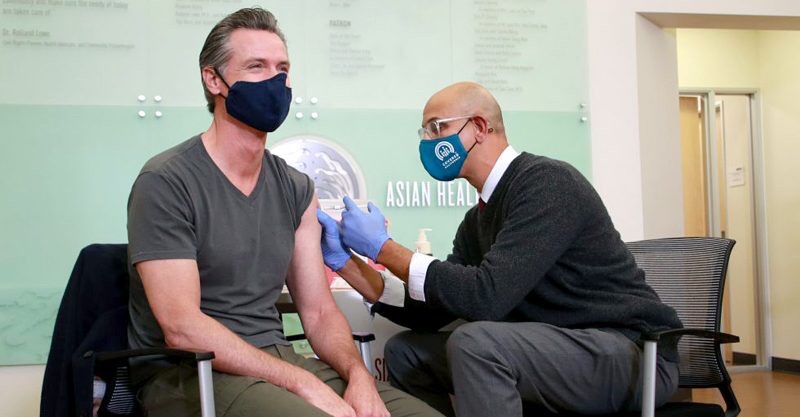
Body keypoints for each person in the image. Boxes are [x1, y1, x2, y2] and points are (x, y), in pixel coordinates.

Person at [126, 8, 443, 417]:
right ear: (213, 80)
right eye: (256, 67)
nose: (275, 81)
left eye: (283, 69)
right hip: (190, 373)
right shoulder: (167, 182)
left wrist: (358, 377)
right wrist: (302, 383)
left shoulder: (295, 188)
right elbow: (182, 328)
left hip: (276, 361)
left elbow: (318, 311)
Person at [316, 82, 683, 417]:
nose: (428, 141)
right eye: (424, 131)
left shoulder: (547, 184)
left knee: (477, 343)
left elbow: (486, 298)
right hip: (562, 350)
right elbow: (437, 309)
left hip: (631, 353)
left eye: (437, 128)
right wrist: (347, 263)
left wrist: (383, 248)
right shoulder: (477, 221)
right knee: (408, 352)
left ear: (479, 127)